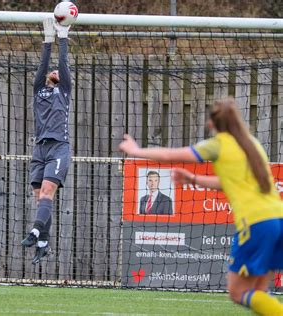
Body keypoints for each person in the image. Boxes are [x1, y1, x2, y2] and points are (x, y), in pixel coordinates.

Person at [119, 98, 282, 315]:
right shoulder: (252, 144)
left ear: (211, 125)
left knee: (237, 292)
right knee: (259, 291)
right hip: (277, 219)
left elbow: (172, 155)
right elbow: (229, 183)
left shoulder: (220, 143)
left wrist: (137, 151)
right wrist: (194, 180)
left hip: (256, 224)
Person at [20, 18, 72, 265]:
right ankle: (43, 243)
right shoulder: (39, 89)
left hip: (58, 147)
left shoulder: (64, 91)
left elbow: (63, 64)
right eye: (52, 72)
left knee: (48, 193)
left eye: (57, 73)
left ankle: (34, 232)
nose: (54, 71)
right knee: (39, 196)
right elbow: (43, 66)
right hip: (39, 148)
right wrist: (48, 40)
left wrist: (63, 37)